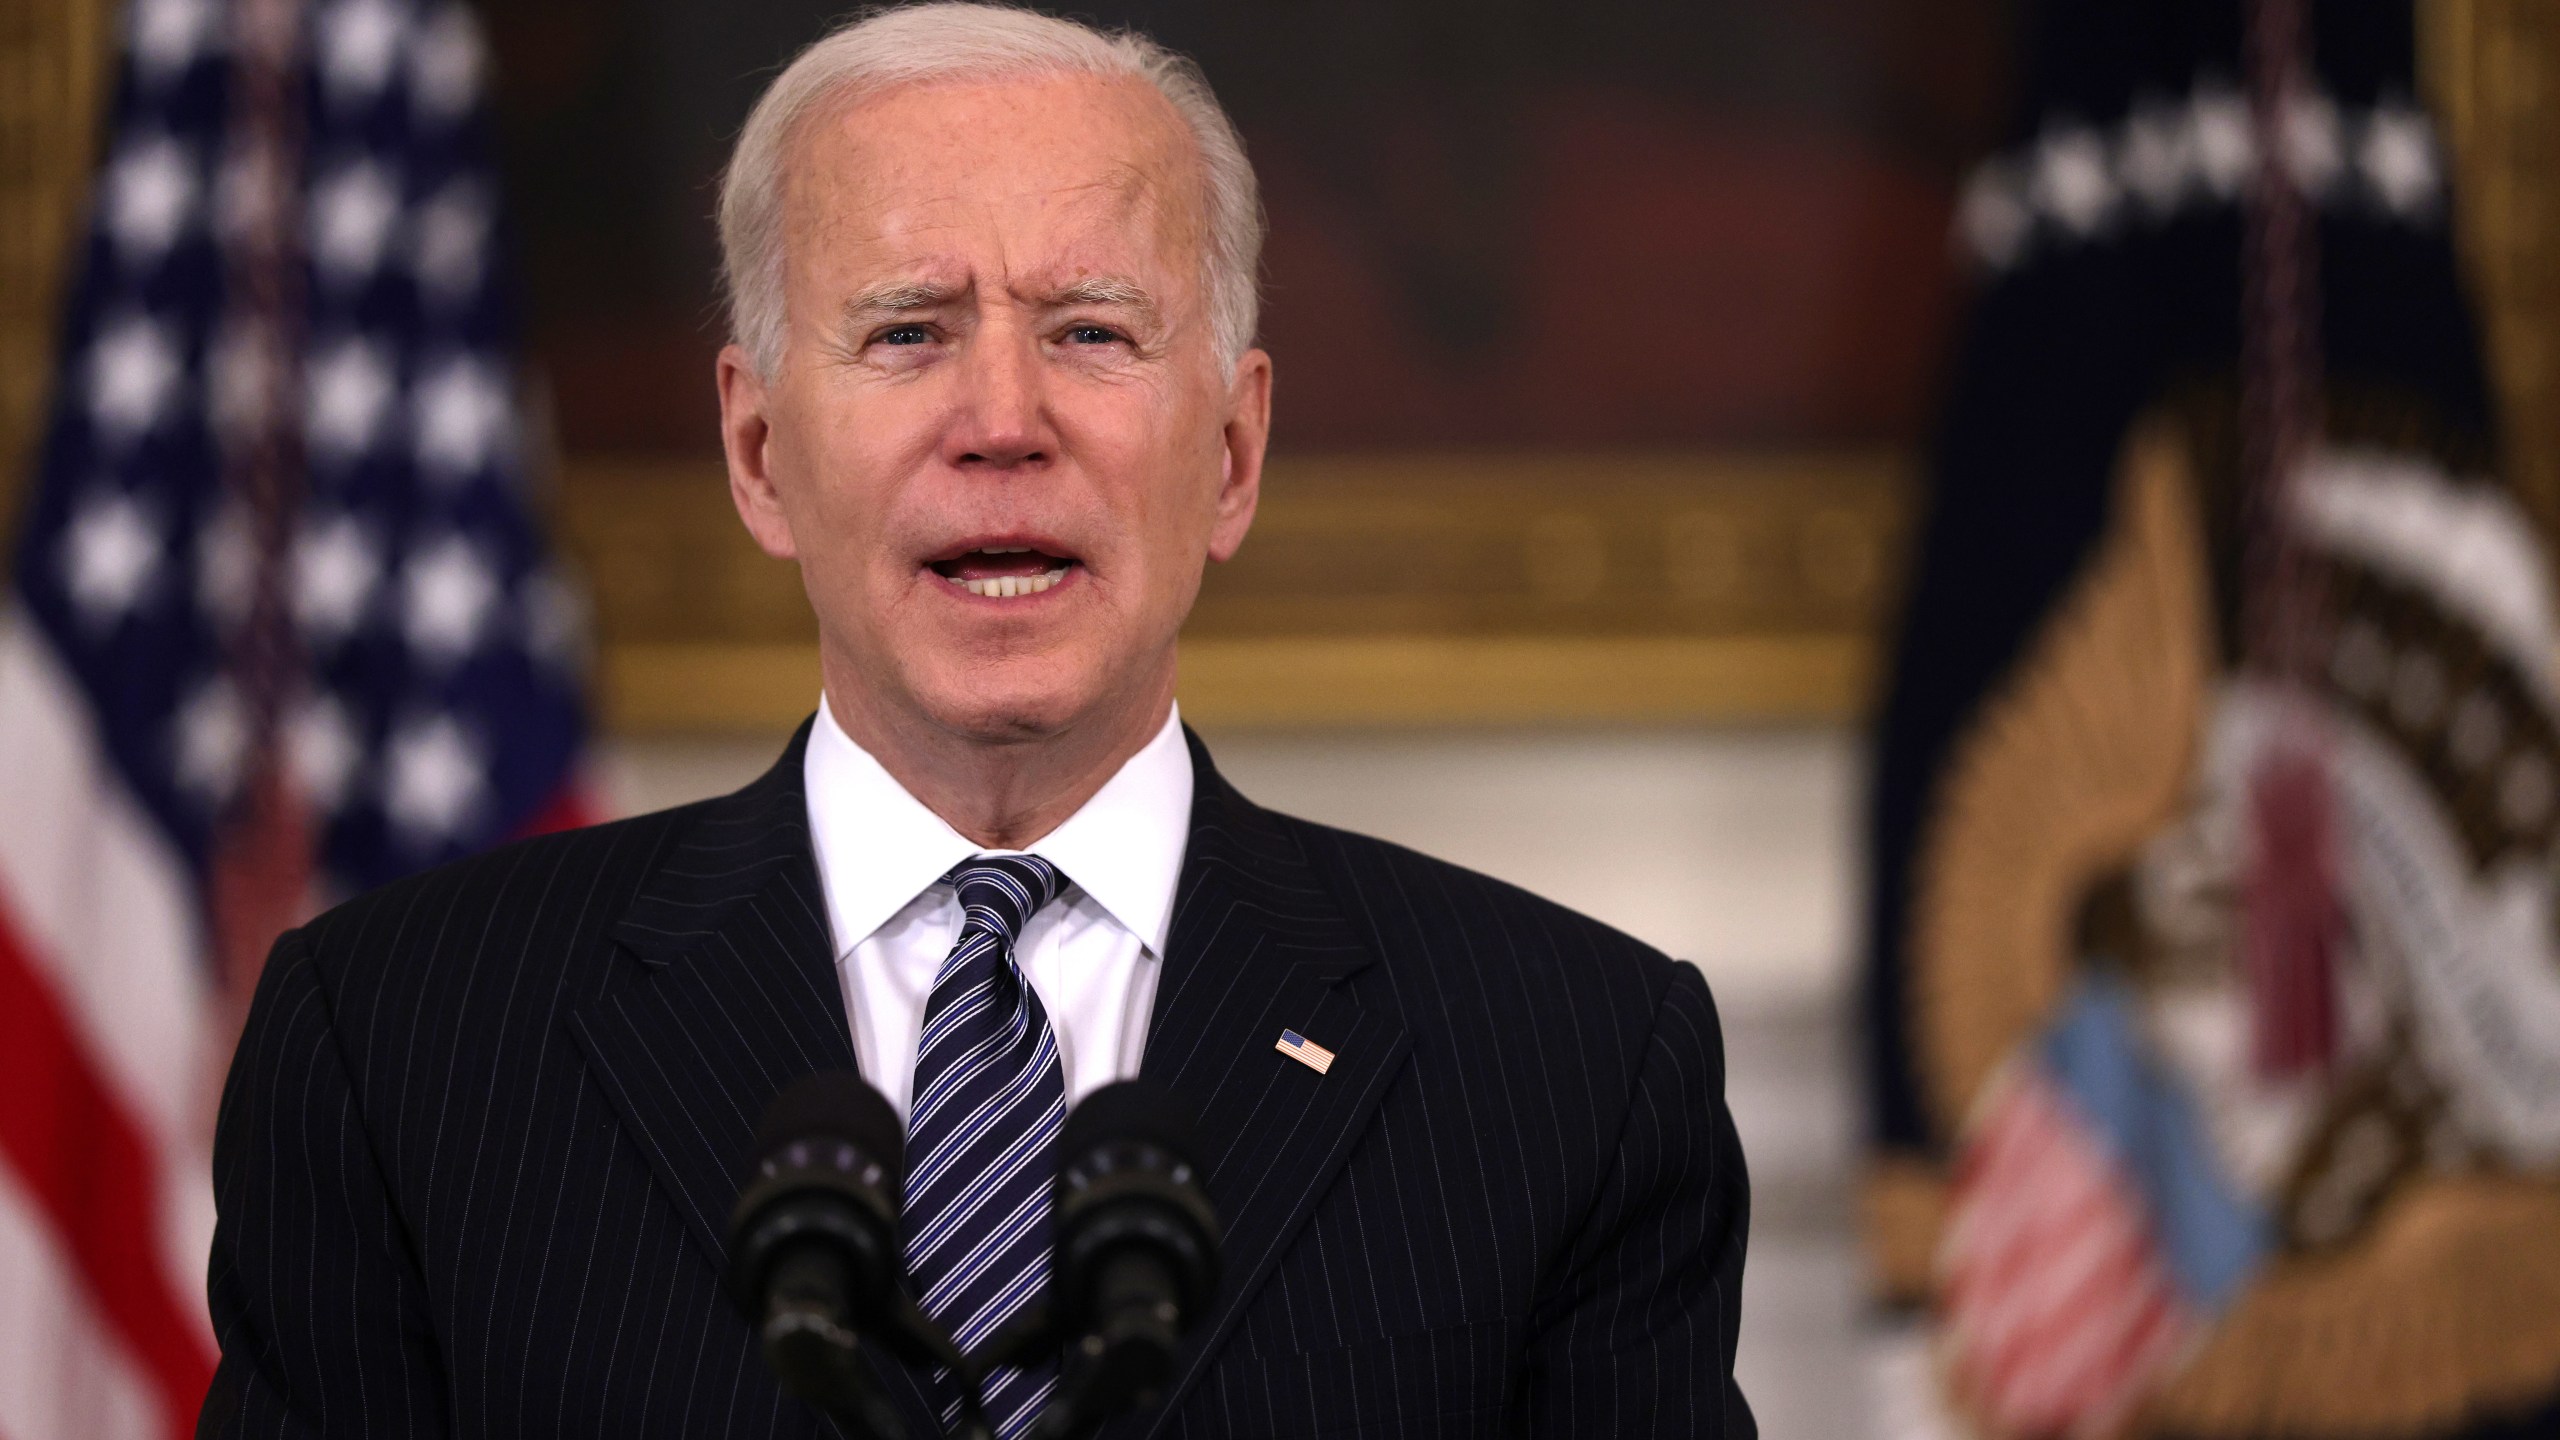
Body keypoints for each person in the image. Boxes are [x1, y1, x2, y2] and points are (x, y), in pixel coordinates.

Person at [199, 6, 1752, 1436]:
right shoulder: (399, 1042)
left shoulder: (1573, 1070)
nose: (1003, 422)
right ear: (756, 452)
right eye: (906, 332)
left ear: (1230, 451)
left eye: (1090, 330)